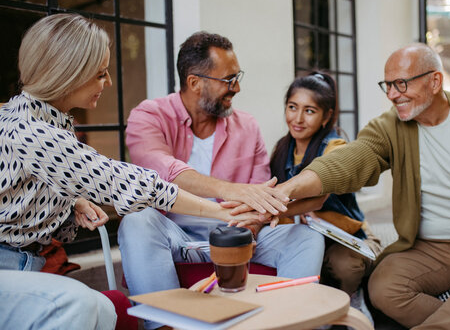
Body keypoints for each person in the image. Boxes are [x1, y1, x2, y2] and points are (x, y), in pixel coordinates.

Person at [0, 14, 259, 330]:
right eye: (100, 74)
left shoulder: (43, 119)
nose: (108, 82)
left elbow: (24, 186)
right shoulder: (32, 131)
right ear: (68, 75)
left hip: (23, 259)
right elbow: (129, 183)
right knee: (75, 305)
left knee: (107, 311)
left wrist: (72, 203)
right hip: (7, 263)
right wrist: (220, 211)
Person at [267, 43, 450, 329]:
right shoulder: (388, 126)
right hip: (426, 249)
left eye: (401, 84)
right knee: (383, 287)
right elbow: (348, 161)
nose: (392, 94)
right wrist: (286, 189)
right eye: (387, 85)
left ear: (434, 81)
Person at [118, 31, 325, 329]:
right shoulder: (148, 116)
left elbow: (259, 198)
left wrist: (250, 225)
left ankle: (286, 323)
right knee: (137, 222)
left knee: (306, 238)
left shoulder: (247, 126)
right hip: (173, 234)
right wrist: (232, 190)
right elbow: (164, 172)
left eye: (237, 76)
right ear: (194, 82)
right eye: (228, 80)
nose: (237, 87)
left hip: (235, 231)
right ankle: (165, 325)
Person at [269, 71, 382, 298]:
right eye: (292, 107)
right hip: (304, 234)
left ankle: (354, 298)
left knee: (344, 266)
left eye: (309, 111)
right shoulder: (282, 148)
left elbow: (319, 196)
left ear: (326, 116)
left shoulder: (336, 147)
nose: (298, 118)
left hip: (349, 238)